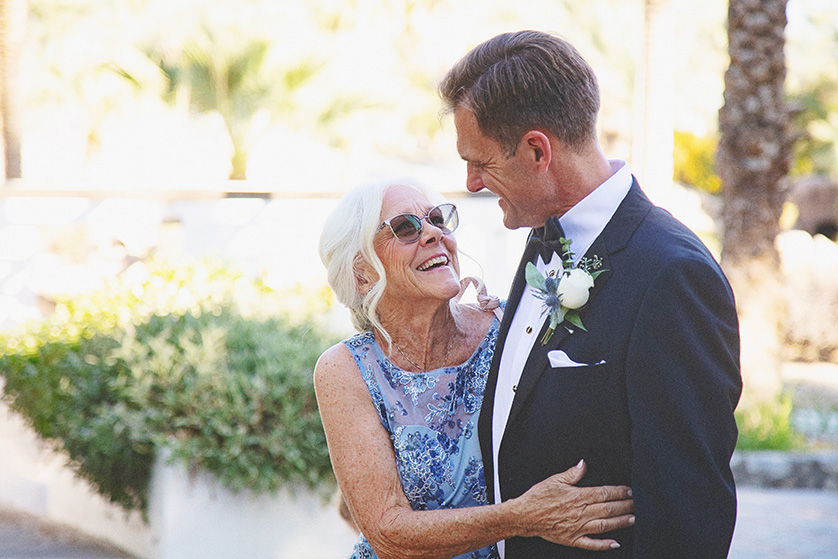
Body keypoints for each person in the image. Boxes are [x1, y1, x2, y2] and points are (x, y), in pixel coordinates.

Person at [439, 30, 742, 559]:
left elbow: (690, 512)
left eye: (481, 163)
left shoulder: (671, 275)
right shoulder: (542, 235)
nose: (470, 183)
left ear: (538, 150)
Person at [315, 179, 636, 559]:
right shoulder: (345, 369)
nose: (434, 233)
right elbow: (388, 531)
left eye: (437, 219)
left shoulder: (512, 324)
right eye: (405, 228)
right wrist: (523, 517)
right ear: (362, 273)